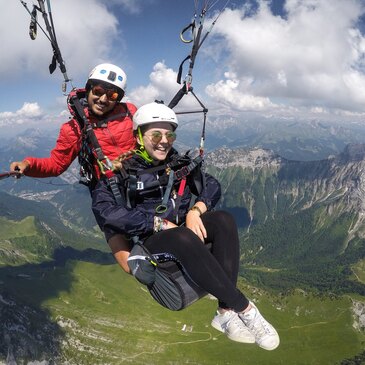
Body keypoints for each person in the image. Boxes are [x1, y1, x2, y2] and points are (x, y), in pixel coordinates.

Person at [91, 102, 280, 351]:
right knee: (181, 236)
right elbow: (106, 213)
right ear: (138, 136)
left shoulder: (178, 165)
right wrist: (156, 222)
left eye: (169, 134)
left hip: (181, 234)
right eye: (156, 134)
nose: (164, 141)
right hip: (150, 244)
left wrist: (195, 210)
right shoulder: (121, 175)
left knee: (223, 220)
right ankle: (245, 309)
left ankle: (224, 312)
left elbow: (211, 185)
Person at [9, 63, 136, 190]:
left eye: (112, 95)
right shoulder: (75, 127)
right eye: (98, 91)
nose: (103, 99)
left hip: (143, 176)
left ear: (119, 98)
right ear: (88, 89)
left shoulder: (130, 112)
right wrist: (28, 165)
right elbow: (56, 164)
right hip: (110, 188)